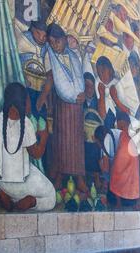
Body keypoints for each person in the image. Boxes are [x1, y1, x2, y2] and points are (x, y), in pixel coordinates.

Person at [37, 23, 88, 193]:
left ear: (65, 39)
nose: (54, 45)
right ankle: (59, 176)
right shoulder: (49, 55)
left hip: (77, 106)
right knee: (62, 141)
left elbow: (81, 76)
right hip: (61, 103)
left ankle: (79, 177)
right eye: (51, 42)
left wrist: (83, 94)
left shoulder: (73, 55)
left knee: (76, 142)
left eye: (57, 41)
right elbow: (52, 78)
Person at [0, 83, 55, 212]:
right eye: (27, 100)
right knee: (51, 196)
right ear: (21, 102)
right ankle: (31, 201)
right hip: (19, 180)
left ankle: (6, 195)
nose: (29, 104)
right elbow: (36, 154)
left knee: (21, 170)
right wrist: (44, 138)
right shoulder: (26, 123)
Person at [108, 111, 140, 209]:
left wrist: (113, 168)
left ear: (122, 122)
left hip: (127, 177)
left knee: (116, 175)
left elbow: (119, 163)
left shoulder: (128, 136)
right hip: (131, 179)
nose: (116, 125)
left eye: (118, 122)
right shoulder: (124, 135)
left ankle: (119, 203)